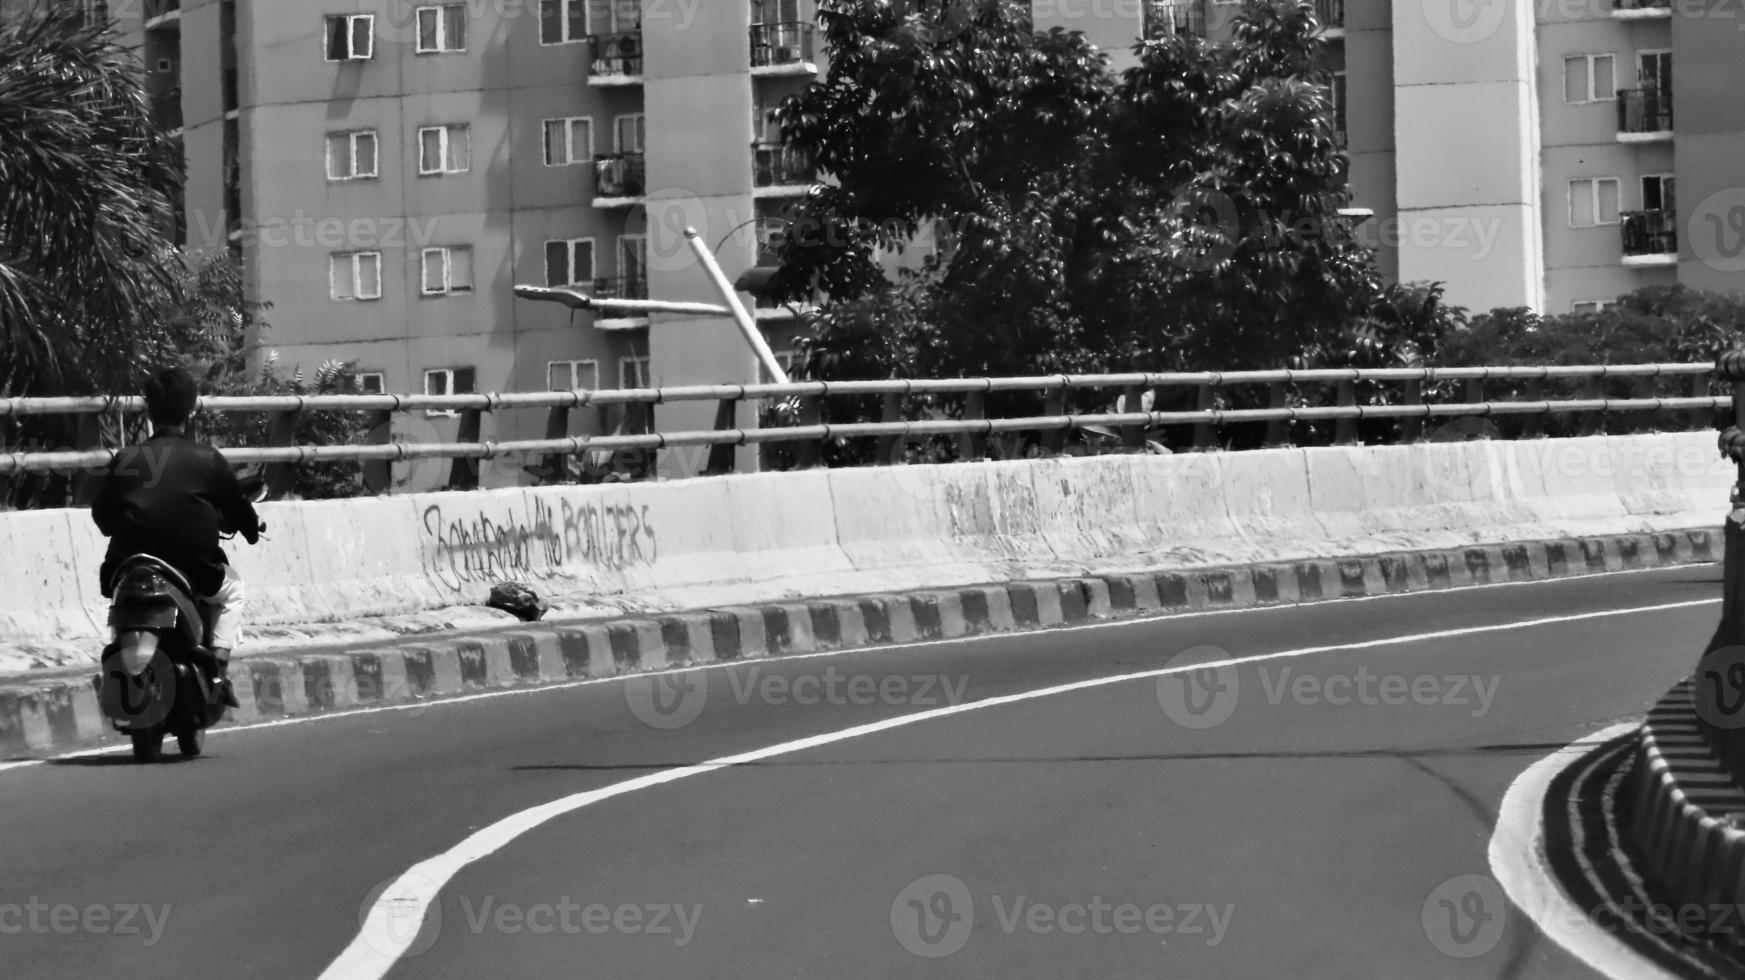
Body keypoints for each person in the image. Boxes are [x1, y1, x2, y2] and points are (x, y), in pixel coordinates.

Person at [92, 367, 260, 708]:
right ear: (192, 407)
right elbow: (238, 506)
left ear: (149, 409)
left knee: (118, 600)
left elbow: (102, 513)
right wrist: (251, 529)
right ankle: (218, 671)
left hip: (128, 567)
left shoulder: (127, 459)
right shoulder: (207, 458)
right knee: (234, 591)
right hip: (193, 568)